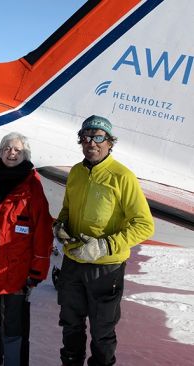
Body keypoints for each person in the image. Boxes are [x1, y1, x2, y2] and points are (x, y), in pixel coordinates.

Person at [55, 115, 154, 366]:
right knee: (70, 325)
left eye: (99, 137)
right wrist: (60, 226)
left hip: (105, 269)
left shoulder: (122, 177)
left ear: (110, 142)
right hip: (74, 262)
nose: (92, 142)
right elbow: (67, 209)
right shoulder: (76, 172)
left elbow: (144, 225)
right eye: (87, 137)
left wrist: (104, 246)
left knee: (102, 332)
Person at [0, 132, 53, 366]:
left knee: (15, 322)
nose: (11, 153)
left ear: (25, 155)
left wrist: (37, 271)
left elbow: (43, 232)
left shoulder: (32, 187)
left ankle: (14, 362)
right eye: (7, 148)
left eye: (17, 150)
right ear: (0, 151)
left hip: (18, 270)